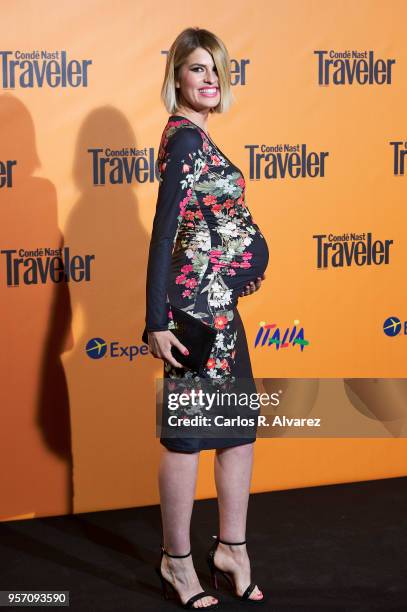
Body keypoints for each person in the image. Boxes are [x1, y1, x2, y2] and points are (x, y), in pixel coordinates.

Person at [144, 27, 269, 609]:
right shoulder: (187, 143)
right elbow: (164, 232)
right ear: (177, 79)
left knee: (238, 437)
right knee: (187, 442)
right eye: (197, 69)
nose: (210, 78)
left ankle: (232, 551)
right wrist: (157, 321)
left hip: (224, 314)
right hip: (193, 317)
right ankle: (177, 562)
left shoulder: (202, 140)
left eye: (216, 68)